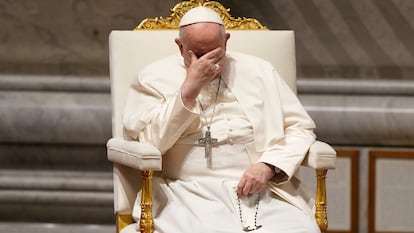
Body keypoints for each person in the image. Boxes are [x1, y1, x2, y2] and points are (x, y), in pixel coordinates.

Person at [122, 6, 320, 233]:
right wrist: (188, 90)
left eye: (215, 53)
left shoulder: (260, 71)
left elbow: (300, 128)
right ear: (180, 46)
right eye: (197, 54)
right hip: (185, 194)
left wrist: (268, 166)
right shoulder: (152, 78)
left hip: (258, 192)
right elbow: (149, 144)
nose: (209, 63)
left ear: (226, 41)